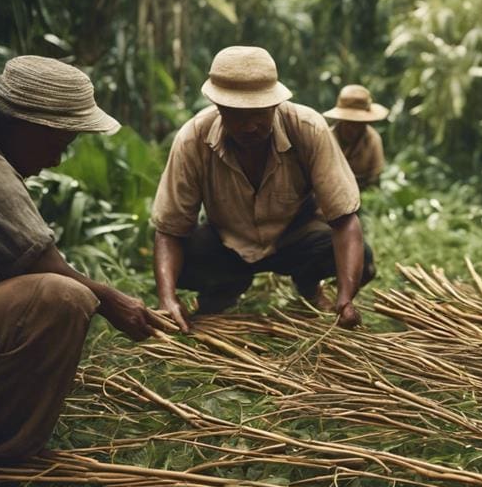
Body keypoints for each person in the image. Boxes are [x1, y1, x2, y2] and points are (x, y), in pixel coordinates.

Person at [0, 56, 154, 462]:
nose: (57, 161)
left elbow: (16, 261)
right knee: (62, 297)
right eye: (58, 145)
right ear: (24, 126)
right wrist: (113, 300)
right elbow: (47, 266)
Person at [152, 46, 374, 331]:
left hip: (294, 239)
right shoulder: (192, 139)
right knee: (181, 253)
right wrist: (166, 298)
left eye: (259, 113)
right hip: (227, 243)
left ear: (274, 103)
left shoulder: (308, 129)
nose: (249, 126)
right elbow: (169, 230)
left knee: (361, 259)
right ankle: (224, 289)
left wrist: (345, 300)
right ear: (218, 107)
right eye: (236, 114)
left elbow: (344, 222)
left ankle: (308, 285)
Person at [322, 84, 388, 189]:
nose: (354, 128)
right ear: (342, 120)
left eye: (359, 123)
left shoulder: (372, 139)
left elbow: (375, 179)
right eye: (350, 123)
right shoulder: (326, 138)